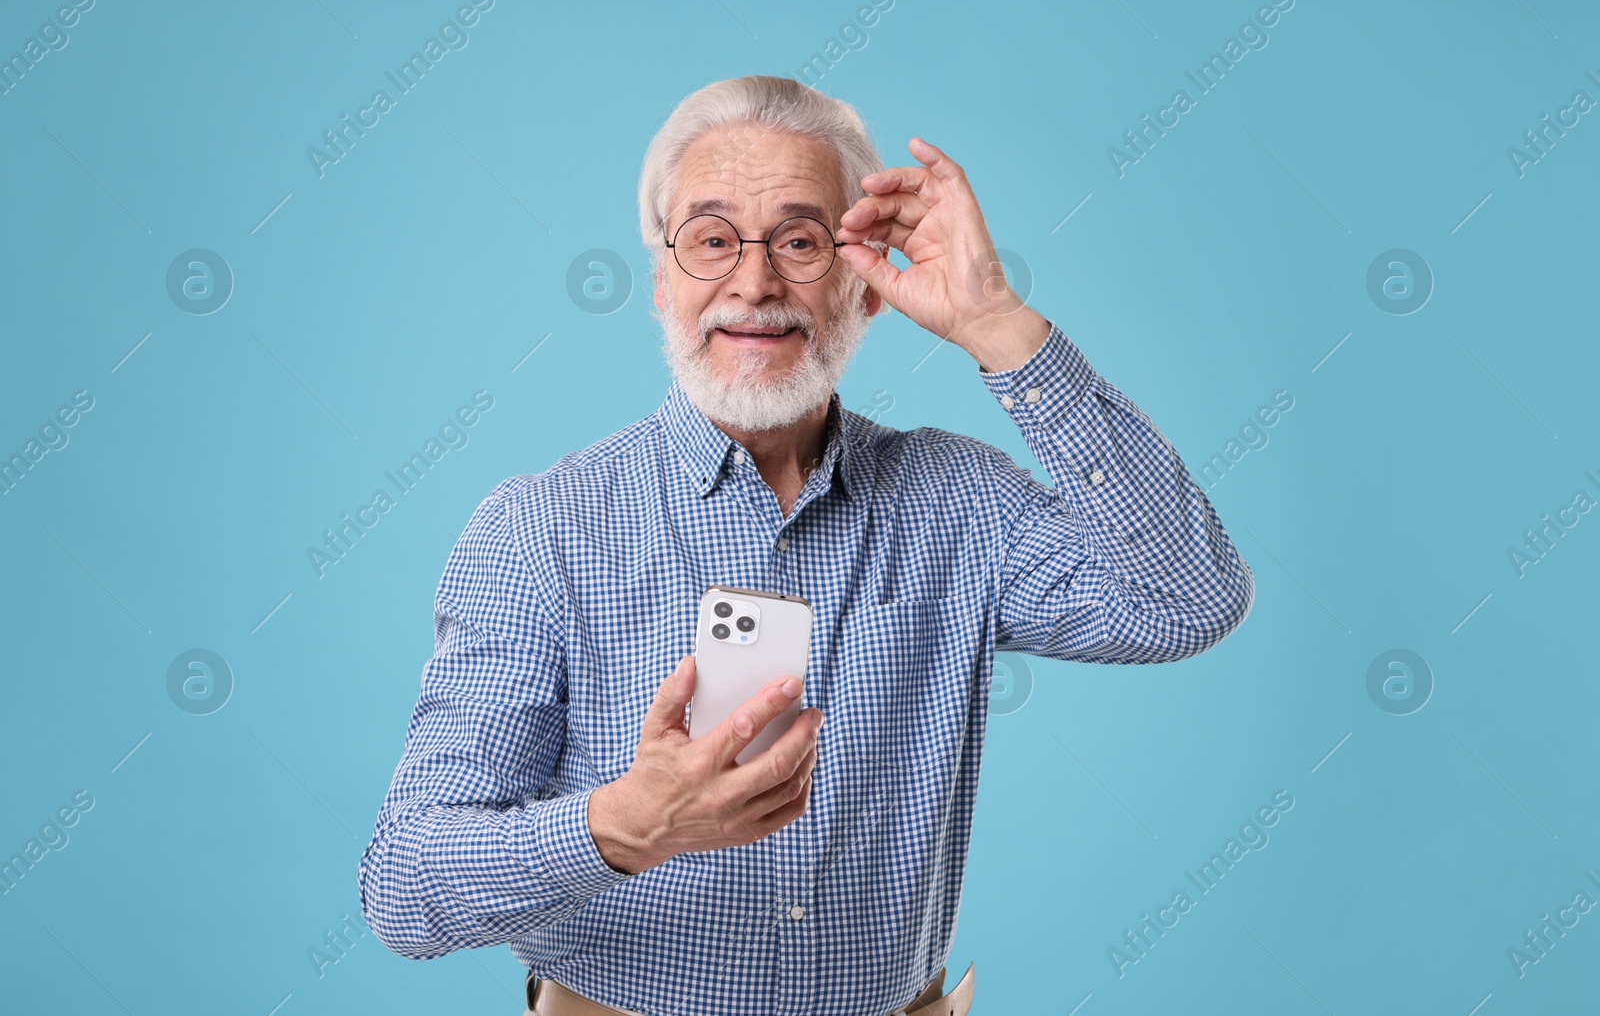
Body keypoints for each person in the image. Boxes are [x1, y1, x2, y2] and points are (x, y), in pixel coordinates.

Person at [358, 75, 1254, 1016]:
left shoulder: (960, 503)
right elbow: (405, 887)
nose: (754, 283)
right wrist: (623, 826)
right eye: (711, 240)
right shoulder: (539, 530)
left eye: (798, 241)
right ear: (662, 281)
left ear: (864, 287)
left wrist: (1000, 328)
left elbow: (1188, 599)